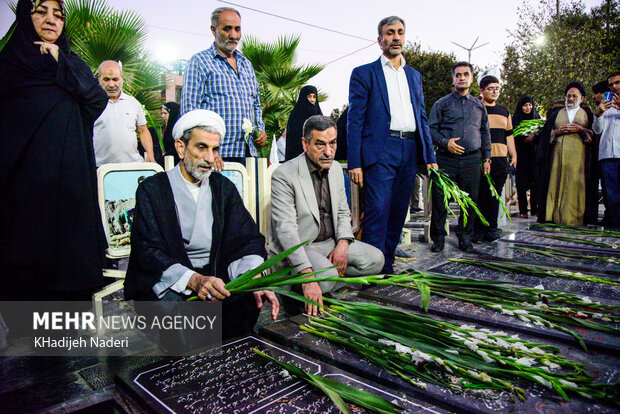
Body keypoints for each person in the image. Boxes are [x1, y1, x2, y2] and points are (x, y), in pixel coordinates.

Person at [124, 109, 279, 340]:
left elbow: (246, 239)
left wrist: (253, 275)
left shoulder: (223, 188)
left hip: (217, 275)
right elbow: (147, 250)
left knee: (246, 301)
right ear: (180, 148)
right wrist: (194, 281)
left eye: (215, 149)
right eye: (201, 147)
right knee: (184, 319)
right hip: (175, 279)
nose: (209, 158)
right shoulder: (153, 190)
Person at [0, 0, 109, 301]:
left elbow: (96, 101)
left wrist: (62, 61)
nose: (51, 20)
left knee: (70, 260)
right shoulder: (9, 65)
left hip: (72, 179)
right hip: (25, 181)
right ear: (26, 16)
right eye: (41, 11)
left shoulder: (72, 62)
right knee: (28, 259)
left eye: (58, 15)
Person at [347, 16, 437, 273]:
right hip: (380, 151)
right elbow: (355, 120)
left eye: (400, 32)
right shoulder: (364, 73)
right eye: (390, 33)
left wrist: (429, 155)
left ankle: (387, 264)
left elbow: (421, 117)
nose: (395, 37)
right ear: (380, 40)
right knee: (377, 211)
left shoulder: (414, 76)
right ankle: (372, 268)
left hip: (409, 149)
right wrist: (355, 162)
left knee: (399, 211)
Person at [270, 115, 384, 316]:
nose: (329, 152)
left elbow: (342, 212)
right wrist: (307, 275)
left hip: (329, 243)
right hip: (301, 245)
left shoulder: (336, 170)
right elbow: (286, 231)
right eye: (320, 145)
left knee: (376, 259)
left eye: (333, 143)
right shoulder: (284, 174)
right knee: (328, 276)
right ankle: (298, 287)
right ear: (305, 144)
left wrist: (343, 244)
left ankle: (321, 281)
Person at [180, 7, 266, 165]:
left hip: (248, 154)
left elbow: (256, 104)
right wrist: (208, 150)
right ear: (213, 30)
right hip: (217, 157)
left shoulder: (246, 64)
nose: (233, 35)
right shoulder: (199, 62)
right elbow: (189, 114)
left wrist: (260, 130)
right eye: (227, 29)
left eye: (237, 29)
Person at [428, 62, 492, 252]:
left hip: (472, 160)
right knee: (440, 200)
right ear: (453, 79)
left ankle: (465, 236)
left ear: (472, 79)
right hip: (446, 159)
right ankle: (438, 239)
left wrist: (486, 158)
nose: (462, 77)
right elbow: (430, 130)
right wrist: (445, 142)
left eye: (466, 74)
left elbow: (485, 132)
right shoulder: (442, 104)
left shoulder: (479, 106)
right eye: (458, 75)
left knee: (470, 201)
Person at [539, 82, 595, 225]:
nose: (570, 99)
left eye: (574, 96)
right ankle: (554, 216)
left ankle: (574, 218)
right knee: (555, 183)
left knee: (575, 185)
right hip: (557, 156)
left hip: (578, 157)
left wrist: (580, 129)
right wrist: (557, 132)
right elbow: (546, 135)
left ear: (581, 98)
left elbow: (595, 135)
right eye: (568, 96)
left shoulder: (587, 114)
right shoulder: (556, 114)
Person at [473, 75, 517, 242]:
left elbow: (509, 135)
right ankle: (477, 229)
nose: (494, 92)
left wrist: (513, 154)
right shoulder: (476, 108)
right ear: (482, 91)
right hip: (481, 159)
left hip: (499, 160)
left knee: (495, 196)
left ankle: (491, 228)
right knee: (479, 195)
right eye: (490, 89)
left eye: (497, 88)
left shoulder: (504, 111)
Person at [93, 60, 155, 166]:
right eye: (106, 80)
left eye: (115, 79)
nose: (111, 84)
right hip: (100, 168)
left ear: (121, 78)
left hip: (132, 166)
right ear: (99, 79)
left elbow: (143, 131)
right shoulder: (91, 104)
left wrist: (150, 154)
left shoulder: (133, 103)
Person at [593, 72, 620, 227]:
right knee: (611, 195)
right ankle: (615, 227)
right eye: (611, 84)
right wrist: (599, 113)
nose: (614, 86)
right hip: (607, 155)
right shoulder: (606, 104)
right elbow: (597, 130)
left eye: (617, 83)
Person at [512, 96, 542, 218]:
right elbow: (512, 135)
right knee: (521, 184)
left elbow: (542, 135)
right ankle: (523, 210)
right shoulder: (516, 120)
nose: (528, 108)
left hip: (534, 156)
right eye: (525, 105)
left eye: (530, 105)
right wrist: (523, 138)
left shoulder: (536, 118)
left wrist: (534, 137)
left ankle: (535, 208)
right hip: (521, 155)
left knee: (535, 182)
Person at [285, 85, 323, 161]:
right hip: (298, 158)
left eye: (314, 97)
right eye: (309, 96)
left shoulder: (319, 116)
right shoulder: (297, 115)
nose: (312, 100)